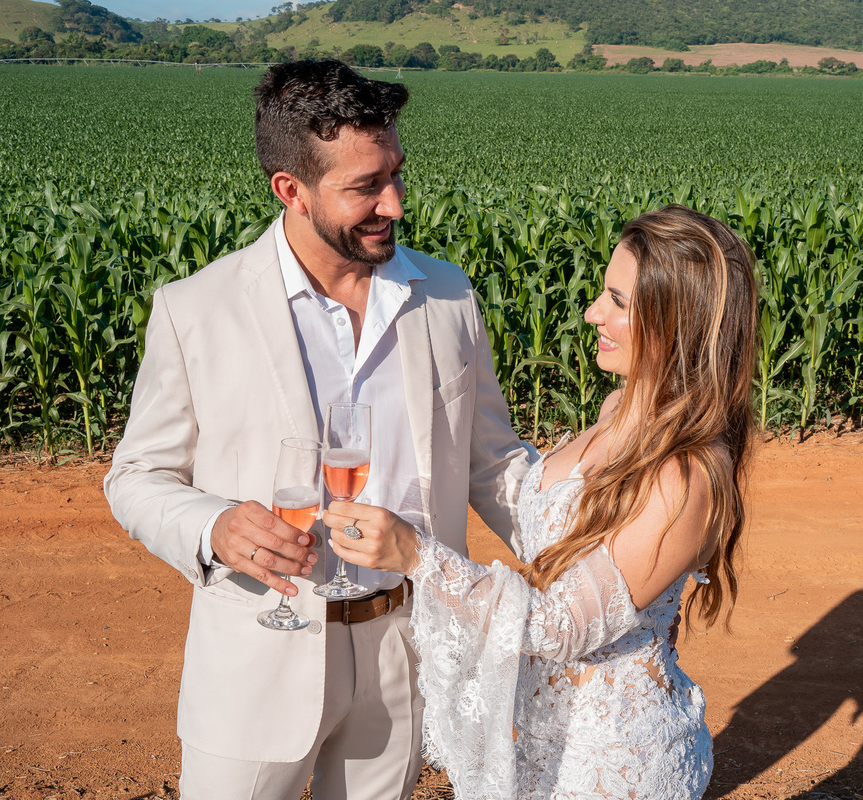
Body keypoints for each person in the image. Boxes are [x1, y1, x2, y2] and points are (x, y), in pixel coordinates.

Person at [103, 60, 537, 800]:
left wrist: (598, 540)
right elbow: (136, 478)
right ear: (291, 190)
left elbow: (492, 461)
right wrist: (213, 527)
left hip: (404, 646)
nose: (394, 204)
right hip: (256, 652)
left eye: (396, 173)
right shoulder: (194, 309)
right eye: (365, 186)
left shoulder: (447, 295)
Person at [325, 204, 759, 799]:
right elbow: (555, 539)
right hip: (548, 732)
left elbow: (559, 628)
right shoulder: (619, 408)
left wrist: (415, 555)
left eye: (619, 301)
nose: (592, 313)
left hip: (612, 757)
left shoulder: (688, 478)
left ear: (677, 322)